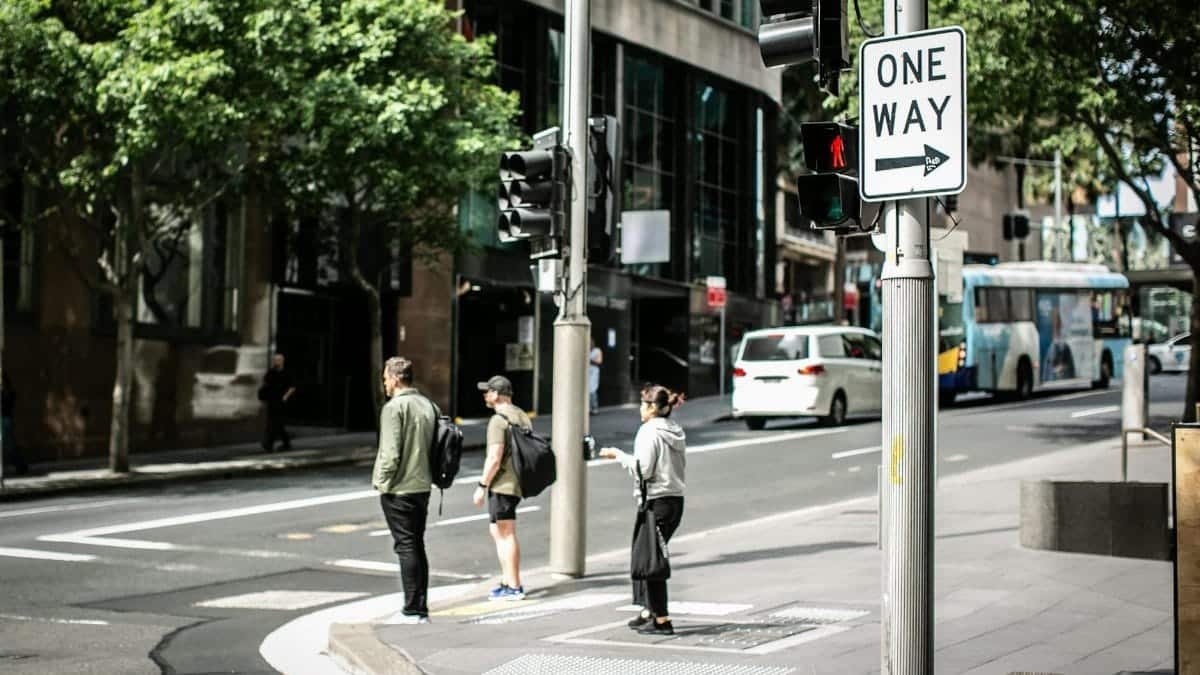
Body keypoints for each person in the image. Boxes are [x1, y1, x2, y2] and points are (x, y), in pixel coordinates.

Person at [599, 383, 687, 636]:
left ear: (652, 407)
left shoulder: (649, 431)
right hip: (673, 501)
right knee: (644, 555)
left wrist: (618, 455)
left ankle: (661, 619)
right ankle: (647, 610)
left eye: (642, 404)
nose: (639, 408)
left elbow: (644, 469)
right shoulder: (675, 429)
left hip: (656, 501)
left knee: (650, 561)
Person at [373, 357, 438, 624]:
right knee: (416, 544)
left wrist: (381, 480)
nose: (384, 383)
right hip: (423, 486)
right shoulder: (428, 405)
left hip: (400, 488)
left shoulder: (393, 408)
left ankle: (412, 610)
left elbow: (390, 453)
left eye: (386, 378)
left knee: (406, 546)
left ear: (396, 378)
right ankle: (420, 606)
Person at [473, 375, 528, 601]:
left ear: (496, 394)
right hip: (517, 481)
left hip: (503, 483)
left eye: (488, 391)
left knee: (505, 533)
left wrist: (481, 485)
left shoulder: (498, 420)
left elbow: (495, 457)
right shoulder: (521, 415)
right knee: (498, 530)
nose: (485, 395)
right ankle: (507, 580)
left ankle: (514, 586)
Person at [260, 353, 296, 452]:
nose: (276, 362)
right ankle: (285, 443)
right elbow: (265, 384)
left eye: (278, 360)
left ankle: (269, 444)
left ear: (282, 361)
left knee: (276, 423)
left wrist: (285, 397)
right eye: (275, 360)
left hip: (281, 402)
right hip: (272, 400)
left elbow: (292, 387)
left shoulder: (287, 373)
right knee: (275, 423)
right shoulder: (271, 372)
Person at [2, 374, 28, 476]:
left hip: (5, 420)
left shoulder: (9, 393)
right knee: (8, 445)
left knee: (8, 445)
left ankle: (20, 465)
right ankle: (20, 465)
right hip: (5, 420)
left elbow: (7, 405)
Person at [588, 337, 603, 415]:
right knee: (587, 390)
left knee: (592, 389)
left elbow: (599, 361)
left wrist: (590, 360)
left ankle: (594, 407)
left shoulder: (597, 350)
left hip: (594, 371)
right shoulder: (586, 350)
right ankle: (588, 408)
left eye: (591, 342)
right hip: (586, 371)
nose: (590, 344)